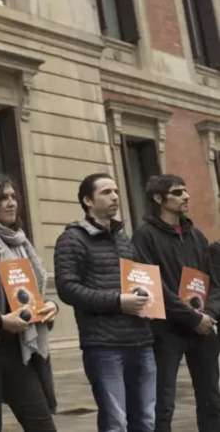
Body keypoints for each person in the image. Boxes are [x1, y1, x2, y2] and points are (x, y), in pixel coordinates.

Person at [54, 173, 155, 432]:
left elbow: (138, 279)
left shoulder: (123, 239)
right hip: (104, 346)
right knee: (115, 423)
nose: (115, 197)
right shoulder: (72, 239)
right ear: (88, 201)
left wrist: (148, 297)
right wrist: (117, 301)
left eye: (116, 191)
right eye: (106, 192)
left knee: (146, 420)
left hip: (141, 341)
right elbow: (68, 289)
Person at [0, 173, 58, 432]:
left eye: (13, 197)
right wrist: (0, 321)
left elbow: (32, 290)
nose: (11, 203)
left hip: (22, 350)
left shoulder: (21, 241)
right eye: (2, 198)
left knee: (43, 425)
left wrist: (50, 307)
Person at [131, 174, 220, 432]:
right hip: (166, 330)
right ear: (159, 199)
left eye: (185, 191)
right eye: (178, 192)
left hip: (204, 328)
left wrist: (209, 315)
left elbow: (214, 281)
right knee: (163, 403)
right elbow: (153, 285)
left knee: (212, 399)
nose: (186, 197)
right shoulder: (143, 236)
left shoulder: (197, 235)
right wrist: (192, 318)